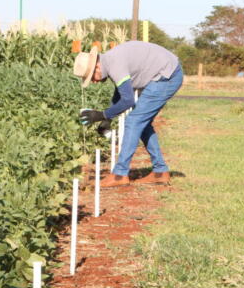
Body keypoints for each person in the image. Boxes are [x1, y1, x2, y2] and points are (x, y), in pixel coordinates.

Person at [73, 41, 183, 188]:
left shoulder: (115, 65)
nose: (93, 82)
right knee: (141, 122)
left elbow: (128, 100)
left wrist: (102, 115)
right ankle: (160, 172)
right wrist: (108, 118)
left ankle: (120, 174)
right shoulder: (110, 61)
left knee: (133, 121)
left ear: (97, 67)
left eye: (91, 77)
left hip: (167, 76)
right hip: (163, 74)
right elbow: (121, 92)